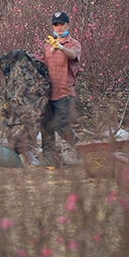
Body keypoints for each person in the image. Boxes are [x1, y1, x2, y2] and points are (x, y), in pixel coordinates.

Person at [39, 11, 83, 165]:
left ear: (67, 25)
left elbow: (73, 55)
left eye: (61, 24)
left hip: (64, 92)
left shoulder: (73, 44)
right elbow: (43, 66)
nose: (58, 27)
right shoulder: (47, 46)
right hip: (48, 93)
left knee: (61, 125)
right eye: (56, 25)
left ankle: (81, 150)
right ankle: (49, 160)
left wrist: (60, 47)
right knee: (46, 126)